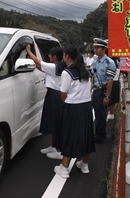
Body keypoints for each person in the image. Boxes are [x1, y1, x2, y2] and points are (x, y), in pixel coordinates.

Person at [54, 44, 95, 179]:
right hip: (86, 107)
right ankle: (85, 165)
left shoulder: (67, 72)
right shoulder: (86, 71)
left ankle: (64, 169)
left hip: (72, 108)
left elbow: (63, 94)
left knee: (69, 136)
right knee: (86, 136)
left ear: (66, 56)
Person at [26, 44, 65, 159]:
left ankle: (59, 151)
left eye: (50, 55)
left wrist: (28, 50)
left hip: (56, 95)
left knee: (57, 124)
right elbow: (40, 66)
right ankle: (53, 146)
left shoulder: (55, 67)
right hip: (54, 94)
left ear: (54, 57)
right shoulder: (55, 66)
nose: (48, 56)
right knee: (54, 122)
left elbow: (38, 62)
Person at [91, 38, 116, 143]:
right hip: (96, 90)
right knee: (97, 114)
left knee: (101, 116)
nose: (96, 50)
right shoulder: (95, 61)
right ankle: (99, 133)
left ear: (104, 49)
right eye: (95, 48)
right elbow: (93, 75)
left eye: (98, 48)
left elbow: (110, 81)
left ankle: (100, 136)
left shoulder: (109, 62)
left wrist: (107, 96)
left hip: (103, 91)